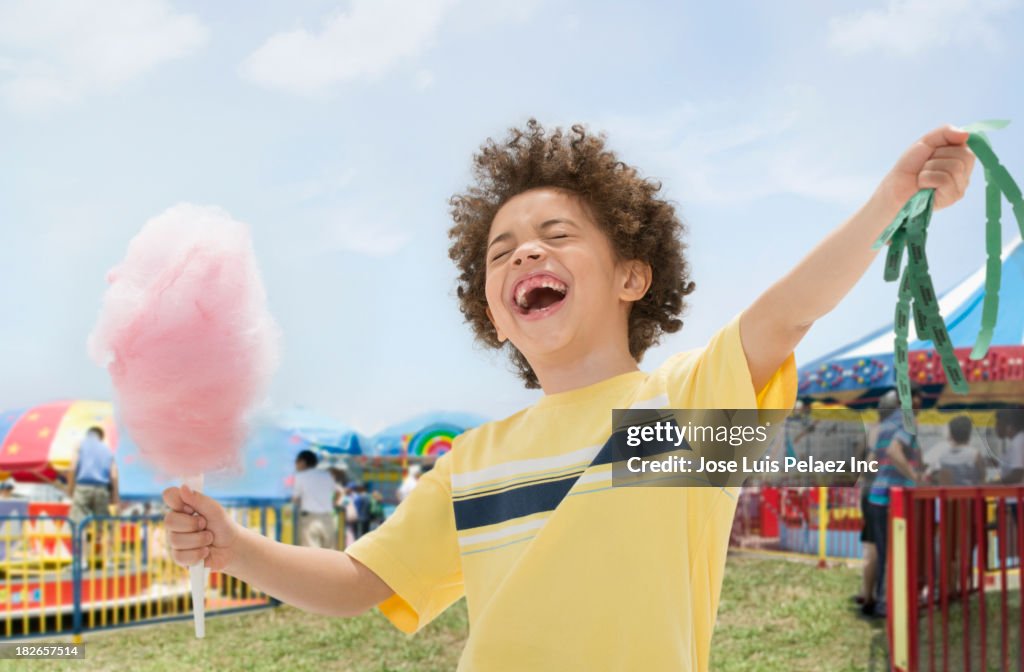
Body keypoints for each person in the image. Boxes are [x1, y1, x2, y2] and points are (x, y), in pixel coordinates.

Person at [162, 120, 974, 670]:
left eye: (556, 237)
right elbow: (356, 582)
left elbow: (788, 316)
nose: (523, 256)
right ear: (491, 312)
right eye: (500, 251)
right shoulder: (472, 460)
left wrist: (889, 205)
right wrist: (237, 550)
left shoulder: (679, 418)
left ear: (631, 275)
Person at [863, 389, 925, 618]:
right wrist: (914, 477)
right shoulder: (908, 421)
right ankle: (889, 605)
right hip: (894, 497)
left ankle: (883, 602)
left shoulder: (886, 423)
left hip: (878, 495)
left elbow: (875, 459)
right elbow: (893, 451)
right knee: (897, 551)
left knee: (885, 551)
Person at [292, 450, 342, 549]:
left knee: (311, 556)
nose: (295, 465)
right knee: (329, 553)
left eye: (296, 462)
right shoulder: (326, 475)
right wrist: (334, 503)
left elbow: (295, 498)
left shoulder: (300, 477)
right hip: (328, 518)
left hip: (310, 519)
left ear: (303, 462)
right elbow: (339, 491)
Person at [68, 426, 119, 523]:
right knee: (102, 523)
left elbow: (72, 468)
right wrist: (115, 496)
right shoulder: (107, 449)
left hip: (83, 487)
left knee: (77, 522)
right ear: (101, 437)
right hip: (101, 489)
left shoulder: (80, 446)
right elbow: (114, 475)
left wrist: (70, 489)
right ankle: (100, 537)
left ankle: (79, 537)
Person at [928, 415, 984, 486]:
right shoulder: (975, 455)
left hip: (951, 496)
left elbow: (944, 484)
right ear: (969, 433)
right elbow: (982, 479)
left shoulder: (943, 456)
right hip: (971, 496)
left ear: (951, 434)